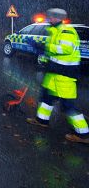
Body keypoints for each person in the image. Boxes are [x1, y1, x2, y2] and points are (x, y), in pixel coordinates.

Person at [26, 8, 89, 143]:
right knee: (46, 98)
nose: (49, 19)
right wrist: (41, 51)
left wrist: (44, 48)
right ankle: (42, 120)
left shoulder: (67, 31)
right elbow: (52, 52)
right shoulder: (54, 31)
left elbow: (65, 49)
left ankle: (83, 135)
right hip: (54, 74)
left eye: (52, 17)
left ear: (59, 18)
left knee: (68, 107)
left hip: (65, 76)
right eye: (49, 16)